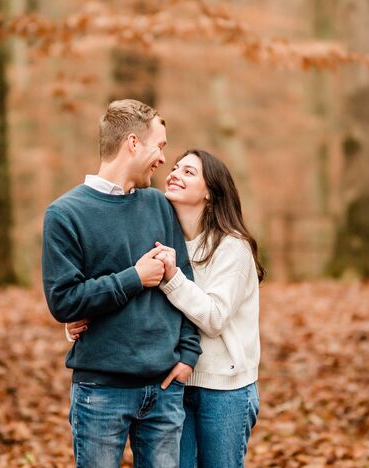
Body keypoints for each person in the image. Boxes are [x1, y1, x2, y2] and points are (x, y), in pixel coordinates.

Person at [70, 149, 263, 468]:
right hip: (173, 383)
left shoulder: (232, 248)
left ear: (210, 194)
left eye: (189, 172)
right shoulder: (160, 239)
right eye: (175, 168)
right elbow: (134, 295)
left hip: (224, 391)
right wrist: (81, 320)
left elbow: (214, 319)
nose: (174, 173)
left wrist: (172, 277)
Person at [41, 99, 201, 468]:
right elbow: (63, 301)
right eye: (159, 146)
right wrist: (134, 278)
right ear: (132, 143)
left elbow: (187, 282)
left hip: (163, 389)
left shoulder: (160, 205)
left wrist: (188, 356)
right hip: (101, 391)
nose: (163, 158)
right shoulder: (65, 214)